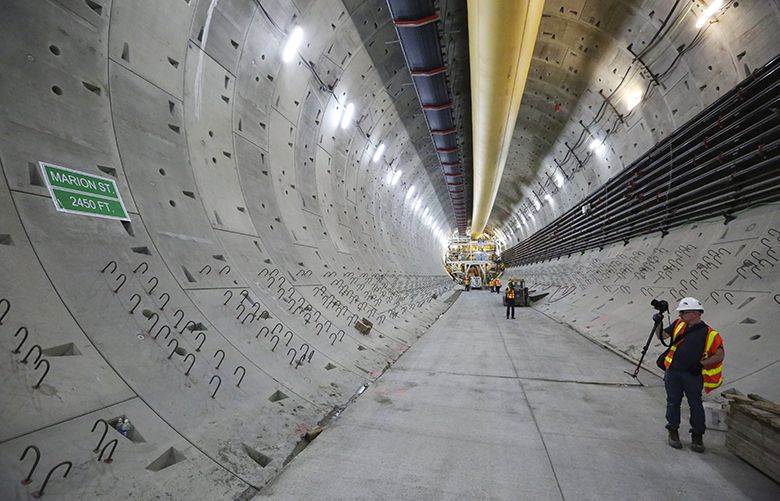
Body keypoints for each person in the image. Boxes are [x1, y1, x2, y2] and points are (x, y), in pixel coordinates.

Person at [655, 297, 724, 453]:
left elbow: (719, 355)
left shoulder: (710, 334)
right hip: (673, 371)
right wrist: (658, 322)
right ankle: (673, 431)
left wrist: (700, 365)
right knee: (673, 401)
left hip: (692, 374)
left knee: (695, 403)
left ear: (695, 313)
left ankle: (697, 435)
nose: (680, 316)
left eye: (683, 313)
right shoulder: (679, 325)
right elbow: (662, 337)